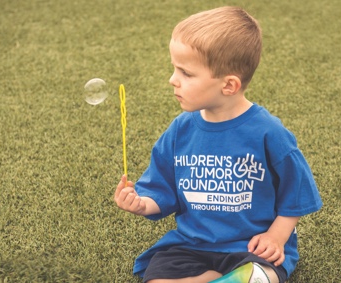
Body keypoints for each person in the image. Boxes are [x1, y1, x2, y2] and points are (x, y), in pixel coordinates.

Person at [114, 6, 322, 283]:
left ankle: (242, 276)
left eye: (186, 73)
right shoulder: (181, 130)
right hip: (192, 245)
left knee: (265, 273)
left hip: (251, 245)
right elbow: (160, 188)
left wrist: (276, 236)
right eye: (174, 69)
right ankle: (219, 277)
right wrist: (141, 203)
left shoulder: (269, 132)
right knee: (156, 278)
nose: (172, 80)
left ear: (229, 85)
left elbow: (297, 193)